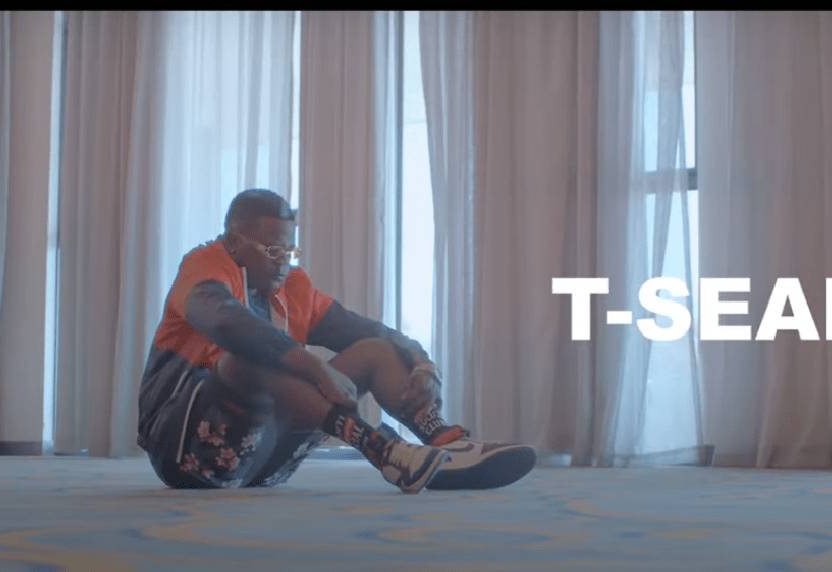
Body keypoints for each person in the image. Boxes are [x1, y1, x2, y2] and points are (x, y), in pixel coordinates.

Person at [137, 188, 536, 493]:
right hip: (185, 453)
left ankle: (446, 447)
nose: (284, 261)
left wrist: (423, 363)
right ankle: (384, 451)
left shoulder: (294, 287)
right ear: (236, 243)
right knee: (245, 358)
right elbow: (225, 322)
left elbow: (370, 332)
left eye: (289, 250)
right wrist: (312, 365)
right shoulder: (206, 263)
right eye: (273, 250)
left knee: (375, 352)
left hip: (267, 463)